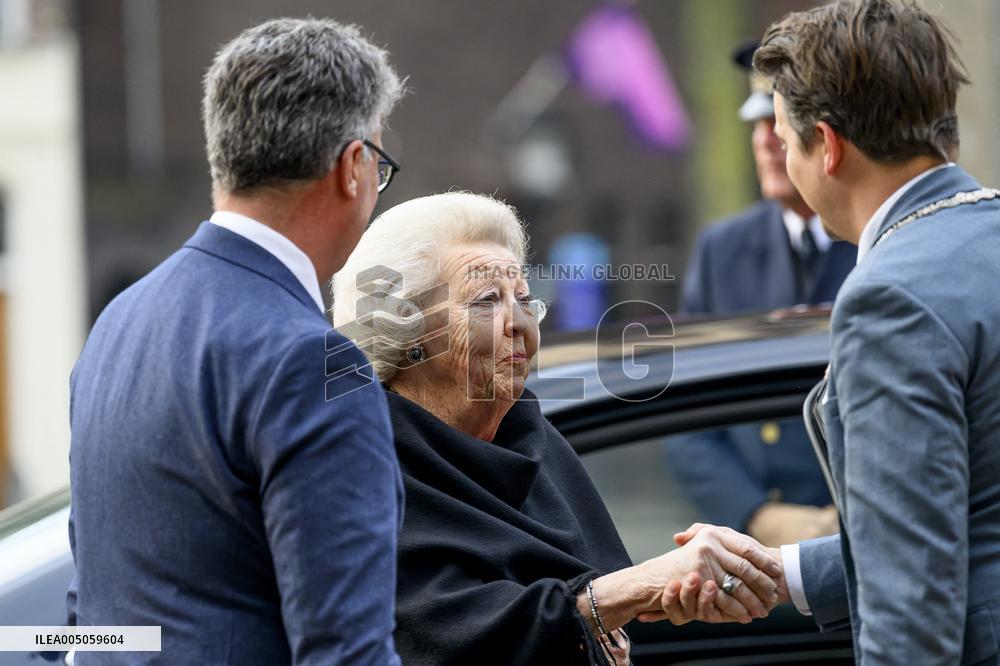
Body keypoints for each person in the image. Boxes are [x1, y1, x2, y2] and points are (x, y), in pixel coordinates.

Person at [664, 2, 1000, 663]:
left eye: (786, 142)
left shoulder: (889, 297)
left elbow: (912, 607)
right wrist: (781, 570)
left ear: (829, 147)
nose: (781, 158)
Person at [67, 19, 405, 664]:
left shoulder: (118, 321)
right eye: (380, 164)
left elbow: (90, 618)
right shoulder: (316, 361)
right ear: (354, 166)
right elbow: (348, 653)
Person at [331, 192, 785, 666]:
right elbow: (441, 637)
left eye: (525, 299)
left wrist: (676, 584)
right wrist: (620, 594)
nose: (519, 323)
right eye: (487, 301)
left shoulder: (533, 440)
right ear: (407, 335)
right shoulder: (366, 466)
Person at [667, 40, 855, 546]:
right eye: (756, 124)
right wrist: (755, 515)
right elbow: (682, 409)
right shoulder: (722, 248)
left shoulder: (876, 241)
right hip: (756, 553)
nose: (766, 141)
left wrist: (844, 518)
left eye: (779, 123)